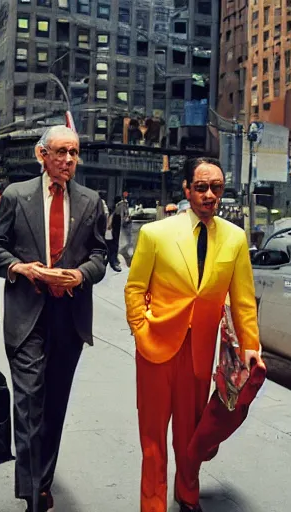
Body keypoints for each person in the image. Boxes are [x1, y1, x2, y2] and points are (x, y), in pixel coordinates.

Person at [124, 157, 260, 512]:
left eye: (216, 187)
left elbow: (243, 301)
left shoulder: (235, 238)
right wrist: (140, 329)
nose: (209, 195)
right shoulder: (155, 234)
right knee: (152, 438)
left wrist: (250, 347)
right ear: (186, 190)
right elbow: (135, 287)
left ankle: (188, 496)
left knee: (189, 435)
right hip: (154, 349)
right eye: (201, 187)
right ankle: (152, 504)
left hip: (200, 352)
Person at [0, 125, 108, 512]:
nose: (69, 160)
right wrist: (22, 269)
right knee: (27, 404)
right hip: (27, 317)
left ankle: (42, 481)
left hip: (69, 319)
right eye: (61, 152)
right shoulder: (16, 196)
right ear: (42, 155)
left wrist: (81, 274)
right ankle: (31, 494)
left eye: (74, 153)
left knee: (54, 406)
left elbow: (100, 255)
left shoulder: (91, 201)